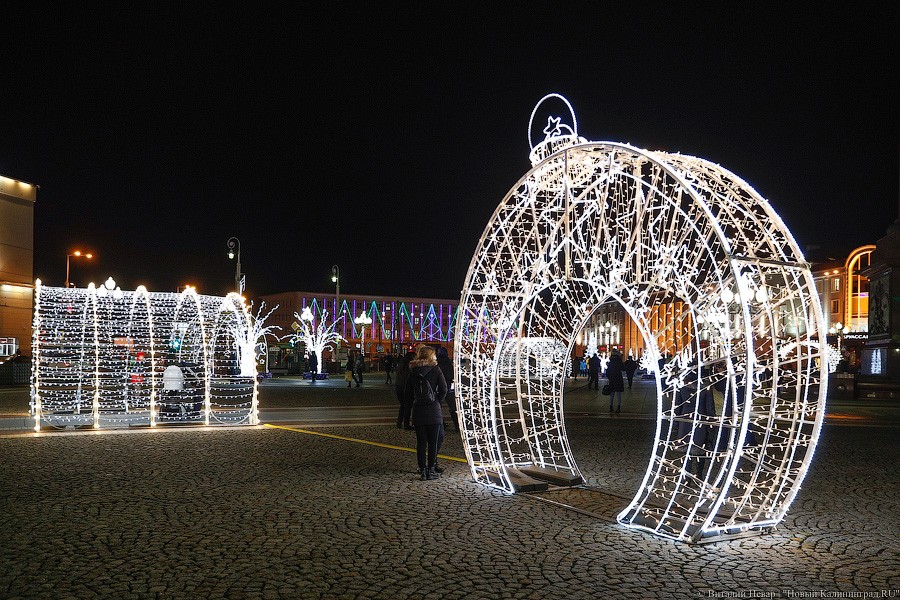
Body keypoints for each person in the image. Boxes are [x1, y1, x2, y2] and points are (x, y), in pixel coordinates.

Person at [403, 345, 448, 480]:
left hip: (418, 410)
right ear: (431, 356)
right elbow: (444, 390)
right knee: (433, 442)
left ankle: (422, 469)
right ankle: (431, 469)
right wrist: (436, 401)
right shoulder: (436, 369)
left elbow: (408, 394)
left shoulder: (413, 371)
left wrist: (409, 410)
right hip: (433, 409)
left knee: (421, 442)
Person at [436, 346, 457, 430]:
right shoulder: (448, 363)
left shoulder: (437, 363)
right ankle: (456, 426)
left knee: (438, 407)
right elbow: (452, 376)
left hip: (439, 387)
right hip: (448, 387)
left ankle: (441, 425)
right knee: (452, 407)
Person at [395, 350, 415, 429]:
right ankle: (406, 424)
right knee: (408, 406)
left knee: (403, 405)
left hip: (398, 387)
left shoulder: (401, 364)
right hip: (406, 388)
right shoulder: (410, 366)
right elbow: (410, 377)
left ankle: (399, 422)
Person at [606, 349, 625, 413]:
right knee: (618, 394)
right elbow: (623, 368)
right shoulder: (619, 360)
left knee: (612, 393)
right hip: (618, 378)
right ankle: (618, 407)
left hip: (612, 378)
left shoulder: (611, 361)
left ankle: (611, 406)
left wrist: (609, 377)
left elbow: (608, 371)